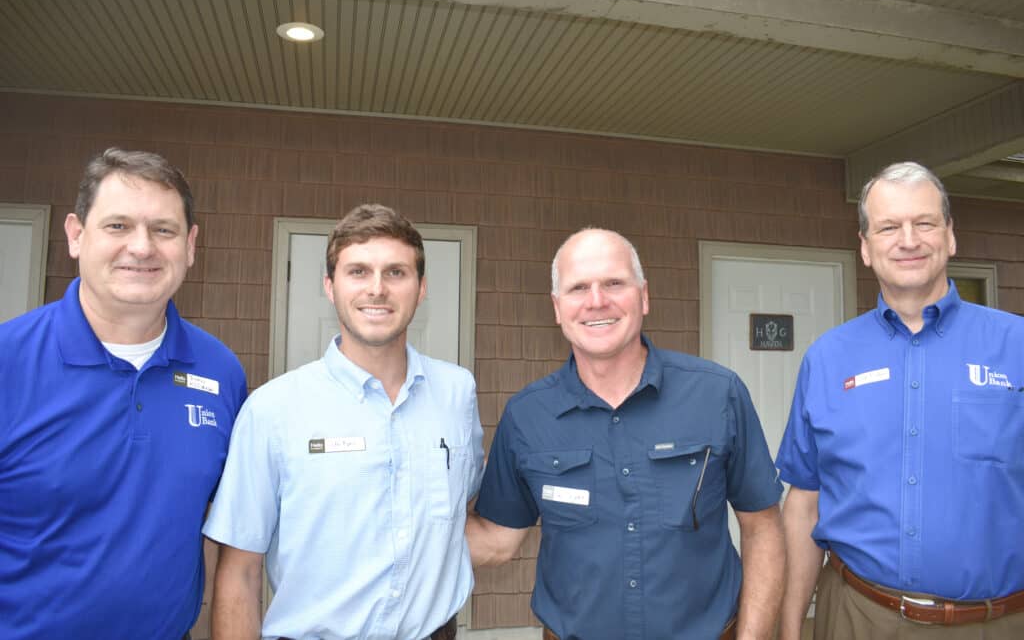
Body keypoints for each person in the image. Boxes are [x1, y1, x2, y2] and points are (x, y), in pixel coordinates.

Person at [467, 228, 785, 640]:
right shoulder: (527, 416)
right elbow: (497, 540)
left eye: (614, 283)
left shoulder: (717, 394)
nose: (596, 300)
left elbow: (762, 527)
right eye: (578, 287)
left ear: (644, 296)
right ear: (557, 308)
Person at [204, 203, 484, 640]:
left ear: (421, 287)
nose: (377, 289)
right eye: (358, 272)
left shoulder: (457, 393)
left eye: (396, 272)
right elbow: (239, 571)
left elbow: (454, 513)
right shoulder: (273, 410)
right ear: (330, 287)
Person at [0, 148, 248, 640]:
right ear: (76, 235)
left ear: (191, 244)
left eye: (163, 230)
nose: (142, 247)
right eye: (118, 226)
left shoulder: (221, 372)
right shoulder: (9, 361)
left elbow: (229, 529)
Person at [776, 162, 1024, 640]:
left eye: (924, 222)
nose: (908, 240)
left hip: (998, 622)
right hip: (858, 616)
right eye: (889, 227)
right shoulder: (827, 358)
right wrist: (790, 628)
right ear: (866, 247)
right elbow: (805, 502)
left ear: (950, 236)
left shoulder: (1015, 345)